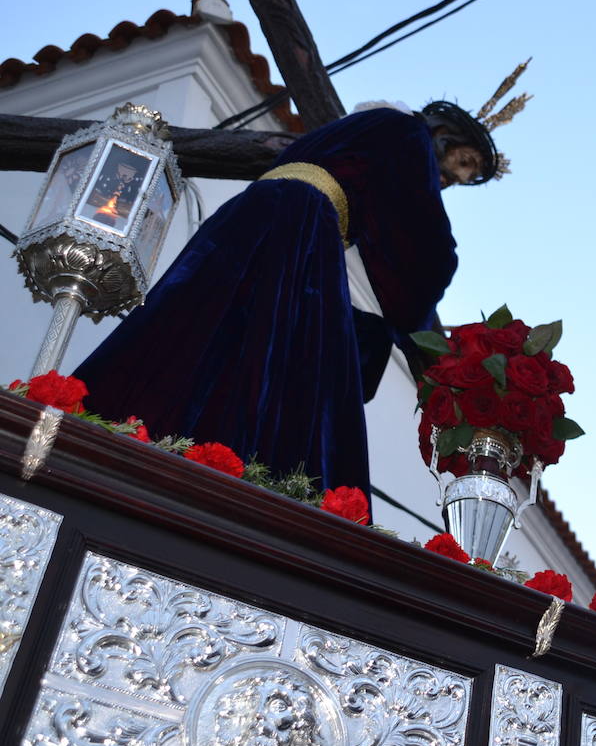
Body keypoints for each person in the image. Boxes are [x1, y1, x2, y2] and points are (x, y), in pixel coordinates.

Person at [74, 66, 531, 503]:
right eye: (462, 162)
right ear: (444, 135)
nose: (454, 178)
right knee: (279, 383)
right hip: (299, 233)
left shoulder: (363, 130)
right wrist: (434, 279)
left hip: (245, 225)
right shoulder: (406, 133)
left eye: (465, 178)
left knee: (196, 341)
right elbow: (426, 247)